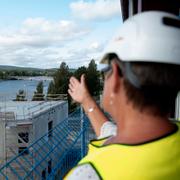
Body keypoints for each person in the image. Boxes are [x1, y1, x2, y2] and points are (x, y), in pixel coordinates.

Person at [65, 11, 180, 179]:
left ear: (117, 75)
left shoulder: (90, 174)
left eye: (106, 70)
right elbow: (113, 134)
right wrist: (86, 101)